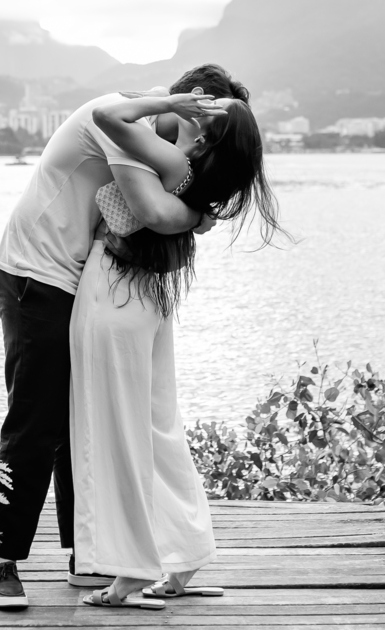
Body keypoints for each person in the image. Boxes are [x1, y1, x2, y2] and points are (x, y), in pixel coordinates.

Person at [0, 64, 250, 610]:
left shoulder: (157, 137)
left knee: (78, 413)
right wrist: (199, 215)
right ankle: (1, 560)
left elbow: (168, 209)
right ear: (194, 102)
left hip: (77, 274)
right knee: (37, 418)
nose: (207, 137)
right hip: (37, 271)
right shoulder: (130, 122)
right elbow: (154, 212)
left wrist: (196, 210)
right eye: (208, 121)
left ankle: (89, 554)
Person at [73, 87, 284, 610]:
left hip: (113, 291)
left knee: (115, 432)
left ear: (209, 134)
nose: (198, 105)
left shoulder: (175, 162)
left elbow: (106, 114)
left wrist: (165, 101)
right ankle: (185, 551)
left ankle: (129, 569)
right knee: (157, 426)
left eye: (210, 108)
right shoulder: (200, 179)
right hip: (148, 297)